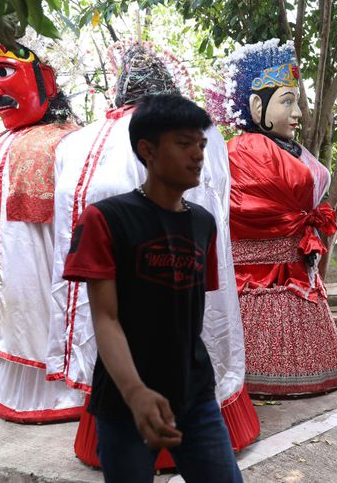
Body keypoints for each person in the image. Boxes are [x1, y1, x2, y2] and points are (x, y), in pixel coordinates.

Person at [47, 41, 257, 468]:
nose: (199, 154)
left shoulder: (203, 223)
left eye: (200, 143)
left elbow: (194, 316)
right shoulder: (104, 220)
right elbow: (103, 318)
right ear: (147, 150)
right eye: (184, 144)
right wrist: (135, 391)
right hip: (125, 401)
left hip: (195, 396)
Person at [206, 39, 337, 395]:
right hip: (261, 279)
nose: (298, 113)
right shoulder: (244, 152)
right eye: (288, 102)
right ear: (256, 105)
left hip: (290, 273)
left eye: (297, 102)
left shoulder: (265, 150)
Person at [0, 43, 85, 422]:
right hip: (9, 267)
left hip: (51, 265)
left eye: (2, 73)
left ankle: (61, 388)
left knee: (43, 308)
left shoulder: (69, 141)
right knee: (19, 309)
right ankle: (18, 385)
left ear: (47, 79)